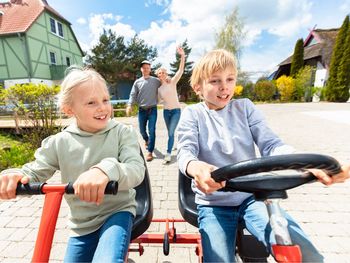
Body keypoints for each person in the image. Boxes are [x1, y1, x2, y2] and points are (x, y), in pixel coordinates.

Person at [177, 49, 350, 263]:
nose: (224, 86)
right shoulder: (193, 114)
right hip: (214, 203)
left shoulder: (245, 108)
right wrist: (197, 168)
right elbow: (185, 152)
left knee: (306, 253)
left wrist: (305, 163)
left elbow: (271, 144)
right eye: (215, 81)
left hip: (252, 197)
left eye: (230, 79)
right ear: (198, 88)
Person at [0, 67, 145, 262]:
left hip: (116, 212)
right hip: (81, 224)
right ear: (69, 109)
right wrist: (16, 174)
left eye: (105, 100)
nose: (102, 107)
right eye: (91, 103)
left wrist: (105, 169)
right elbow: (35, 170)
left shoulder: (122, 133)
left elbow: (136, 170)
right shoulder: (59, 142)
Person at [126, 60, 161, 162]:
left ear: (150, 69)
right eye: (144, 67)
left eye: (148, 67)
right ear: (141, 69)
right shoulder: (137, 82)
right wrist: (129, 105)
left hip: (153, 109)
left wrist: (167, 79)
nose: (146, 69)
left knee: (152, 130)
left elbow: (164, 84)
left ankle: (150, 151)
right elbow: (132, 94)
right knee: (142, 130)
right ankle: (146, 140)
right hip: (142, 110)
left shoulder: (156, 81)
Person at [156, 46, 185, 164]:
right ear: (158, 75)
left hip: (176, 111)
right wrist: (162, 101)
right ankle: (173, 144)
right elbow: (158, 101)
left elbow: (181, 71)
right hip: (166, 112)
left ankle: (168, 154)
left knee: (171, 132)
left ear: (166, 73)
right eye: (159, 73)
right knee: (170, 132)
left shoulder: (172, 82)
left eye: (163, 72)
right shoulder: (159, 89)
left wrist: (182, 56)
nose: (161, 74)